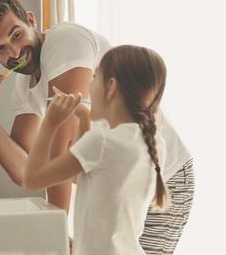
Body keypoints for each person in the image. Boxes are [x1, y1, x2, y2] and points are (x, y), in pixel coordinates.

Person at [0, 0, 194, 254]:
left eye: (16, 35)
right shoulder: (24, 86)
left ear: (31, 20)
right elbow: (26, 172)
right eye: (0, 48)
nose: (15, 52)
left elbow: (61, 147)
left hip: (163, 176)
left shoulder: (65, 41)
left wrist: (58, 233)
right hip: (115, 184)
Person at [23, 45, 168, 254]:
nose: (89, 85)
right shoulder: (153, 142)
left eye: (94, 76)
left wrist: (50, 123)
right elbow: (86, 175)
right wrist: (83, 118)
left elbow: (32, 178)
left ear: (110, 86)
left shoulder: (102, 142)